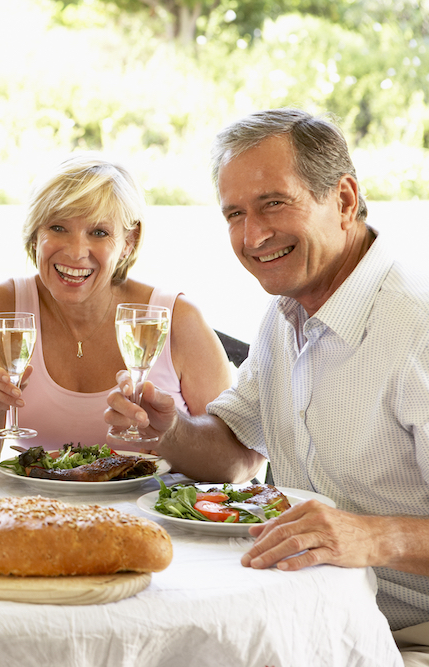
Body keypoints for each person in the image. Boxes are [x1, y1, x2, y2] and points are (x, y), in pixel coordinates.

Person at [105, 108, 429, 664]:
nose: (252, 236)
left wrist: (371, 538)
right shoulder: (286, 312)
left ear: (345, 200)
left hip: (404, 637)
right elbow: (235, 454)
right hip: (301, 621)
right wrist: (171, 431)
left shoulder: (416, 329)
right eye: (235, 213)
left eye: (274, 203)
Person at [0, 154, 232, 465]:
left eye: (99, 232)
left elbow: (235, 461)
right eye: (58, 228)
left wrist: (170, 435)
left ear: (129, 240)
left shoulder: (176, 318)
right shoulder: (5, 307)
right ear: (36, 235)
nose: (76, 252)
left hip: (149, 510)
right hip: (39, 509)